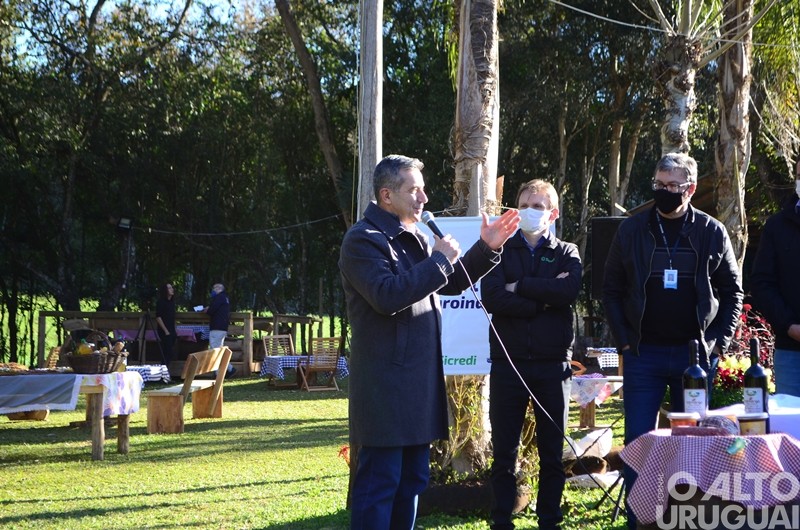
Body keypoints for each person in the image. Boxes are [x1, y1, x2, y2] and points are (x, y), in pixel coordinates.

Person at [339, 154, 520, 530]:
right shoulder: (362, 240)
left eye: (423, 189)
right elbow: (386, 295)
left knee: (411, 484)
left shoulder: (416, 235)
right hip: (385, 388)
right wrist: (438, 261)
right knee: (380, 485)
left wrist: (486, 247)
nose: (423, 198)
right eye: (414, 190)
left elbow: (448, 282)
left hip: (419, 383)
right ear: (386, 195)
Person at [602, 152, 743, 530]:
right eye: (659, 185)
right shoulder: (631, 230)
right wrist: (624, 344)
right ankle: (640, 522)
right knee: (638, 446)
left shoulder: (712, 231)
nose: (663, 192)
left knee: (693, 448)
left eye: (672, 186)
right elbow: (611, 289)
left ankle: (686, 522)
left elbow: (733, 293)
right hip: (643, 355)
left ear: (691, 189)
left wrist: (717, 346)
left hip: (693, 359)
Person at [481, 179, 582, 530]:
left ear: (552, 213)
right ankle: (500, 521)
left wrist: (520, 287)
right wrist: (544, 299)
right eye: (524, 204)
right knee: (504, 453)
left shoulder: (567, 251)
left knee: (552, 452)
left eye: (538, 206)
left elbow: (568, 290)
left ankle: (549, 520)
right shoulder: (501, 249)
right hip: (509, 364)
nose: (530, 211)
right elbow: (492, 297)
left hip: (554, 366)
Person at [750, 158, 800, 397]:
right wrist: (789, 326)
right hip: (791, 352)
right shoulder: (777, 226)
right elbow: (762, 283)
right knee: (791, 430)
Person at [204, 283, 235, 376]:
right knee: (219, 349)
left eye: (214, 288)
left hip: (217, 327)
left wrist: (207, 310)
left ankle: (219, 373)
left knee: (214, 350)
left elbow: (212, 310)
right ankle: (229, 368)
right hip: (223, 327)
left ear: (218, 289)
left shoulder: (218, 298)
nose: (213, 290)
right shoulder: (225, 298)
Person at [155, 283, 177, 366]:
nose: (172, 289)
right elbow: (158, 317)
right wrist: (165, 330)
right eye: (169, 288)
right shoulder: (161, 302)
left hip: (172, 329)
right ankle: (164, 371)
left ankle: (166, 371)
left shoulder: (172, 302)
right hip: (164, 330)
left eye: (172, 288)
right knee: (166, 352)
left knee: (170, 352)